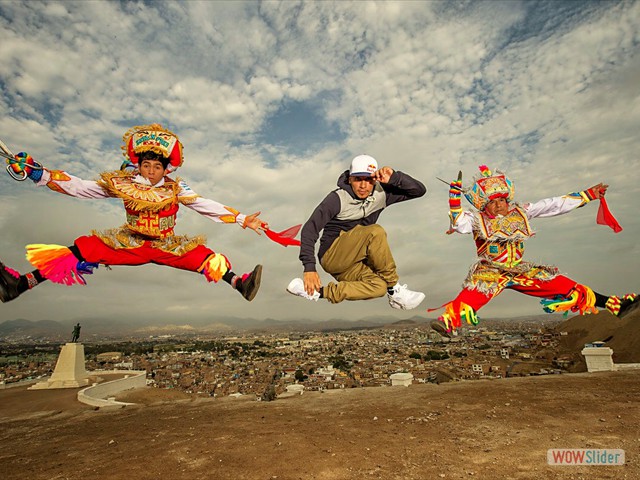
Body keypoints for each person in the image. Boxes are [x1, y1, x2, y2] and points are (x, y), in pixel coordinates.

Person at [0, 124, 267, 303]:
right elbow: (82, 187)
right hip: (129, 243)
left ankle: (240, 285)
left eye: (156, 167)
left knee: (205, 256)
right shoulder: (123, 183)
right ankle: (20, 285)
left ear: (166, 169)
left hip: (165, 245)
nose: (151, 171)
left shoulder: (177, 188)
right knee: (82, 249)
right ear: (138, 166)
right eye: (146, 165)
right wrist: (39, 173)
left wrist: (243, 218)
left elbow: (204, 204)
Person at [431, 165, 638, 334]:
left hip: (521, 270)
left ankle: (615, 304)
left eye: (502, 200)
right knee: (470, 296)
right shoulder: (476, 219)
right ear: (484, 205)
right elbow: (458, 224)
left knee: (565, 285)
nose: (499, 206)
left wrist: (587, 195)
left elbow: (552, 205)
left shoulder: (522, 212)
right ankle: (447, 322)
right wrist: (454, 201)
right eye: (493, 202)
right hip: (491, 273)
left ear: (507, 200)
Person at [287, 154, 427, 309]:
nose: (363, 186)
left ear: (376, 179)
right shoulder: (338, 198)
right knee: (375, 232)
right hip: (332, 254)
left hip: (353, 263)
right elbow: (310, 229)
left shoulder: (382, 194)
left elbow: (419, 191)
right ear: (350, 180)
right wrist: (309, 268)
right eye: (358, 179)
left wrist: (395, 178)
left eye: (369, 180)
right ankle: (394, 288)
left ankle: (315, 292)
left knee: (379, 287)